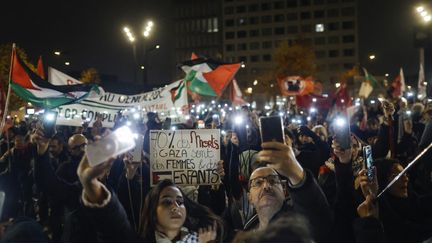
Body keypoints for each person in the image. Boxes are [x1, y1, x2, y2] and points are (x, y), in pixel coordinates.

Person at [78, 154, 225, 243]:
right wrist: (91, 185)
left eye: (180, 202)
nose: (175, 206)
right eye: (167, 202)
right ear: (153, 211)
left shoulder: (204, 237)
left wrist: (215, 182)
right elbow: (114, 228)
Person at [243, 140, 332, 243]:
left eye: (272, 180)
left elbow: (317, 217)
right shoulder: (247, 232)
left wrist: (296, 174)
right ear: (249, 197)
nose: (266, 186)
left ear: (284, 190)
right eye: (258, 183)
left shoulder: (298, 223)